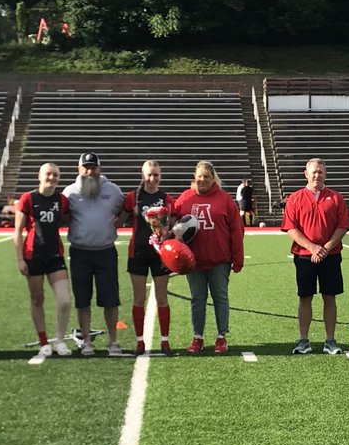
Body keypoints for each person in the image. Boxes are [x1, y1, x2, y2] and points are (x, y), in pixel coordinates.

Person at [175, 161, 244, 354]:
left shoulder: (224, 199)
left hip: (219, 260)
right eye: (199, 176)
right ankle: (198, 337)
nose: (202, 180)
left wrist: (237, 258)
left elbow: (237, 230)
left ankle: (221, 337)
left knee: (220, 297)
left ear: (213, 178)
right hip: (193, 261)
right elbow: (173, 221)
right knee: (197, 299)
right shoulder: (185, 198)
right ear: (194, 177)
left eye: (206, 176)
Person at [282, 158, 349, 355]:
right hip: (304, 256)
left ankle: (330, 340)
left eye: (320, 172)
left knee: (330, 297)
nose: (317, 175)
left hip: (331, 255)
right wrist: (312, 247)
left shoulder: (336, 197)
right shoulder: (295, 198)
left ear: (325, 174)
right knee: (305, 298)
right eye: (314, 172)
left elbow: (342, 226)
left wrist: (325, 248)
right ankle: (303, 340)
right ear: (306, 173)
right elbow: (290, 228)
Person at [63, 152, 125, 356]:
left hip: (105, 251)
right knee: (82, 299)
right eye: (86, 167)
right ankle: (87, 341)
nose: (90, 171)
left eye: (93, 167)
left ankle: (113, 342)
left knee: (110, 299)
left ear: (100, 169)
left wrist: (115, 224)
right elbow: (63, 215)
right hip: (80, 252)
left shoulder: (113, 190)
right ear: (78, 170)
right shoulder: (69, 192)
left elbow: (125, 209)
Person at [15, 163, 73, 357]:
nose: (52, 178)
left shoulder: (62, 200)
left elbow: (67, 219)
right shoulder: (28, 198)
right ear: (39, 176)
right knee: (37, 299)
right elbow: (17, 232)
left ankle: (60, 340)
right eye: (48, 174)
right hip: (33, 255)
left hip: (55, 255)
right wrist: (19, 259)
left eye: (56, 175)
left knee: (64, 300)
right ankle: (43, 342)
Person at [121, 160, 175, 356]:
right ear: (142, 175)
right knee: (138, 298)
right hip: (138, 253)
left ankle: (165, 341)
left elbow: (172, 225)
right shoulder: (132, 198)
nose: (152, 179)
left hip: (160, 254)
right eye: (149, 175)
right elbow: (119, 220)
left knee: (162, 297)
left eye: (156, 175)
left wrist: (167, 231)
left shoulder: (166, 198)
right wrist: (129, 212)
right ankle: (139, 341)